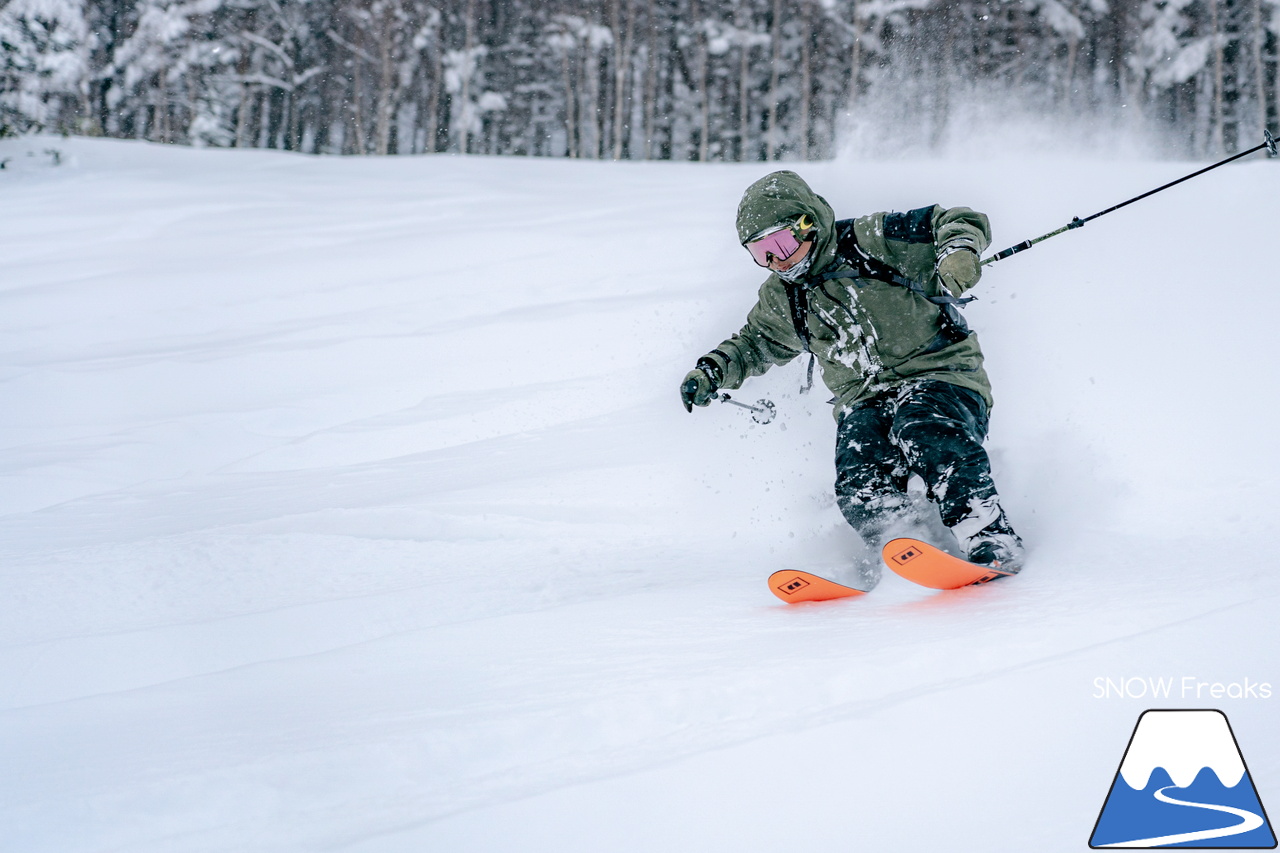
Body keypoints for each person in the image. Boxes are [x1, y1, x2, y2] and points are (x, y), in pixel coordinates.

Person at [680, 170, 1023, 590]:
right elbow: (756, 342)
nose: (778, 260)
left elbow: (953, 219)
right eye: (761, 253)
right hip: (864, 397)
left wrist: (958, 251)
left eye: (782, 244)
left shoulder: (871, 239)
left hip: (942, 373)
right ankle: (901, 544)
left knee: (922, 426)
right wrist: (714, 369)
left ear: (807, 223)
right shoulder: (784, 296)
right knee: (858, 464)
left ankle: (990, 536)